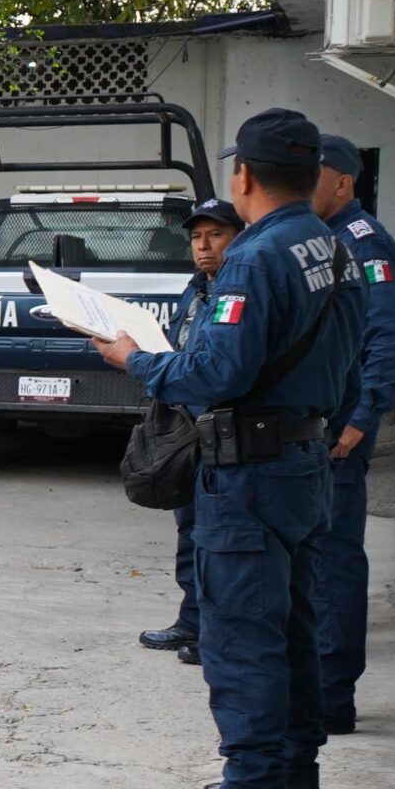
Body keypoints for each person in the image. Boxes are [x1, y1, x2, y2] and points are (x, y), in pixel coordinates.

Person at [95, 106, 363, 789]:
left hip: (250, 473)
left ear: (243, 176)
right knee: (295, 628)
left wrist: (136, 360)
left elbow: (216, 373)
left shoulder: (254, 257)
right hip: (304, 462)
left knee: (243, 636)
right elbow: (348, 359)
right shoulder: (335, 247)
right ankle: (293, 778)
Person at [312, 135, 395, 734]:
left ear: (343, 182)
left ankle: (333, 699)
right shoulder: (319, 239)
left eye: (312, 174)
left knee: (334, 563)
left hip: (338, 433)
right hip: (316, 427)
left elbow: (393, 336)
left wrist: (361, 418)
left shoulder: (362, 241)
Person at [137, 197, 241, 667]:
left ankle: (214, 631)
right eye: (197, 237)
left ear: (238, 238)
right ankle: (192, 620)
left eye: (216, 235)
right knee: (189, 528)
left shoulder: (238, 291)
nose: (204, 246)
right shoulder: (196, 288)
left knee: (218, 538)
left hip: (223, 429)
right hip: (186, 426)